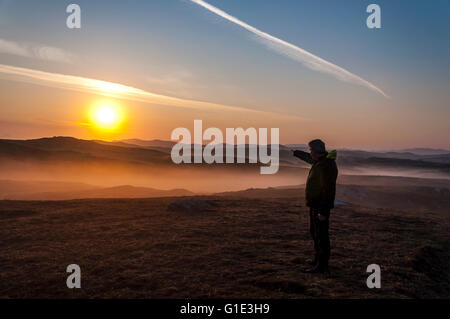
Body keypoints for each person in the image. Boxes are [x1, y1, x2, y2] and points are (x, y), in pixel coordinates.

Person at [292, 139, 338, 273]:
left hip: (321, 206)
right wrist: (296, 153)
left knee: (321, 235)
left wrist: (323, 211)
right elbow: (309, 159)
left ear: (317, 151)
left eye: (311, 150)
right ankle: (317, 259)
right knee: (315, 232)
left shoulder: (327, 165)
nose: (310, 152)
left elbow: (329, 190)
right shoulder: (320, 161)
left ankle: (322, 265)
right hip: (314, 204)